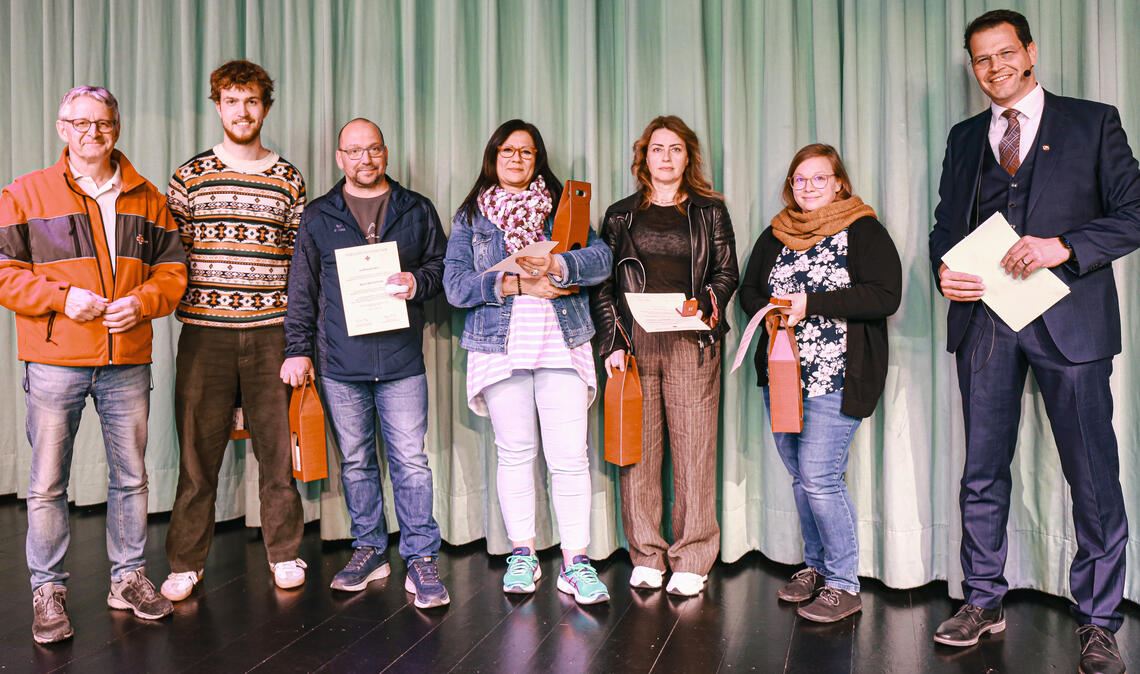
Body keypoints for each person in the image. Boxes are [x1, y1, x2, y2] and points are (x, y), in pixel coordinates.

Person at [929, 9, 1140, 672]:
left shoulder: (1092, 122)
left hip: (1071, 322)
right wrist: (944, 272)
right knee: (982, 470)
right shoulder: (966, 137)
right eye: (981, 58)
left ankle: (1099, 619)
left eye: (1005, 53)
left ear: (1030, 51)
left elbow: (1134, 213)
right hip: (986, 322)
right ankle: (982, 600)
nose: (994, 67)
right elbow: (946, 225)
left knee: (1092, 475)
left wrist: (1065, 246)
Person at [0, 86, 187, 643]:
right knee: (47, 483)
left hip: (126, 359)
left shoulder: (148, 198)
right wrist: (61, 299)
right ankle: (48, 590)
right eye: (80, 123)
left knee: (131, 477)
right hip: (55, 360)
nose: (92, 133)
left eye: (102, 123)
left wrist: (143, 302)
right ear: (62, 129)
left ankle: (128, 578)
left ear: (116, 128)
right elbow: (4, 271)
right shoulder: (25, 193)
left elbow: (173, 271)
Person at [281, 118, 450, 609]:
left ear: (386, 153)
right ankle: (370, 549)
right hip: (340, 362)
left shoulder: (416, 208)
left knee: (411, 462)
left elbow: (441, 268)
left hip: (401, 359)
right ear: (340, 158)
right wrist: (297, 349)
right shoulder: (319, 215)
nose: (365, 159)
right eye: (354, 151)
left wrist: (417, 282)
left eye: (373, 149)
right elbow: (302, 290)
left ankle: (420, 557)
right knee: (355, 462)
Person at [443, 119, 613, 605]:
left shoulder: (564, 208)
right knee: (515, 453)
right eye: (508, 150)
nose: (517, 158)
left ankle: (576, 562)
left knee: (570, 457)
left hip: (561, 341)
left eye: (527, 151)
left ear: (538, 160)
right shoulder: (472, 216)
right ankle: (523, 553)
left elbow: (602, 260)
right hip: (500, 347)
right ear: (493, 157)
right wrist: (516, 283)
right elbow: (455, 286)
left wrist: (560, 265)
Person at [162, 59, 307, 602]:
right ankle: (185, 563)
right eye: (231, 101)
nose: (241, 111)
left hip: (272, 334)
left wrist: (299, 339)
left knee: (277, 455)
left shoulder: (288, 179)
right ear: (218, 106)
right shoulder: (189, 177)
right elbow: (172, 257)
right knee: (197, 460)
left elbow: (299, 264)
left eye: (251, 101)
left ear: (265, 108)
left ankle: (285, 553)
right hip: (205, 335)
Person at [739, 143, 901, 622]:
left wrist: (811, 304)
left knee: (820, 476)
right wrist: (770, 311)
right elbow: (749, 291)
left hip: (838, 376)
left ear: (839, 184)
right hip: (782, 374)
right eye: (800, 179)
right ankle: (815, 566)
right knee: (800, 476)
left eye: (818, 178)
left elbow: (885, 295)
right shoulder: (776, 233)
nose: (807, 187)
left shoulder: (863, 230)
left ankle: (844, 584)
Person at [591, 115, 738, 597]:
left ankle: (693, 557)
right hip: (636, 340)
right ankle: (647, 554)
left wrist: (708, 305)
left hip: (691, 339)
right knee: (638, 451)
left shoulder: (710, 211)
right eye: (658, 148)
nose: (666, 157)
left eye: (676, 149)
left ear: (687, 156)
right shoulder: (620, 216)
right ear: (645, 156)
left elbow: (726, 273)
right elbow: (604, 287)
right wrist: (613, 342)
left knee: (694, 452)